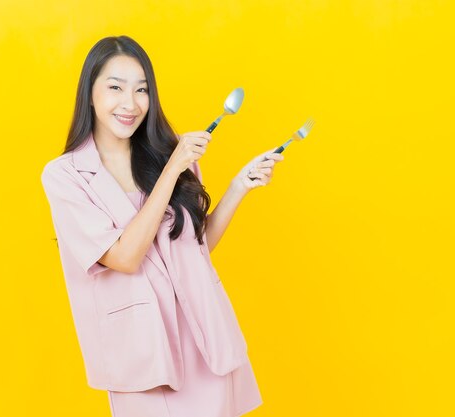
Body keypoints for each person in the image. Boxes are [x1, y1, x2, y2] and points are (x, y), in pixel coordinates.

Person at [41, 35, 284, 417]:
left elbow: (196, 250)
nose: (130, 103)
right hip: (142, 355)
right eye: (115, 88)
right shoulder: (65, 176)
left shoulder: (167, 157)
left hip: (206, 343)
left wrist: (238, 186)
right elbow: (123, 257)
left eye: (142, 90)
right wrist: (172, 170)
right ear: (90, 93)